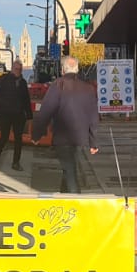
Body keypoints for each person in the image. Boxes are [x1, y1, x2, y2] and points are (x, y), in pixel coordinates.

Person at [32, 55, 99, 193]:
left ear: (62, 70)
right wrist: (93, 142)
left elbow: (46, 111)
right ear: (78, 69)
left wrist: (37, 135)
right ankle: (64, 197)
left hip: (63, 137)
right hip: (81, 138)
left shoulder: (58, 85)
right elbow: (93, 117)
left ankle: (75, 203)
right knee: (69, 168)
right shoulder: (88, 88)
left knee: (70, 172)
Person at [0, 59, 33, 170]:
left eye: (20, 69)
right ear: (12, 68)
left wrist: (29, 116)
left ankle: (16, 163)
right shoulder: (3, 79)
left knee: (18, 139)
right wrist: (1, 106)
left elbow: (26, 100)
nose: (18, 71)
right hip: (5, 114)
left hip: (19, 115)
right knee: (4, 137)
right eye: (16, 69)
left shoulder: (23, 83)